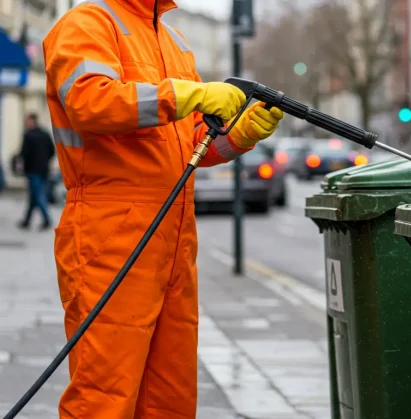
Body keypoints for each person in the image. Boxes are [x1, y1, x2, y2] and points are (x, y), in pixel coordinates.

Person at [42, 0, 283, 417]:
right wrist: (188, 94)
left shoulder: (173, 41)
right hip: (110, 233)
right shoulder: (88, 22)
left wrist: (240, 134)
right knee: (104, 396)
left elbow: (191, 145)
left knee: (170, 398)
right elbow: (89, 101)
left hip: (173, 239)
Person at [17, 113, 55, 231]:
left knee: (38, 194)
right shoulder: (45, 134)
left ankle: (47, 219)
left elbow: (24, 153)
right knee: (34, 195)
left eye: (27, 120)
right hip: (44, 169)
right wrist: (45, 161)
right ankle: (27, 221)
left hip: (33, 170)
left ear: (32, 121)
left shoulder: (28, 135)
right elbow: (52, 150)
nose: (25, 123)